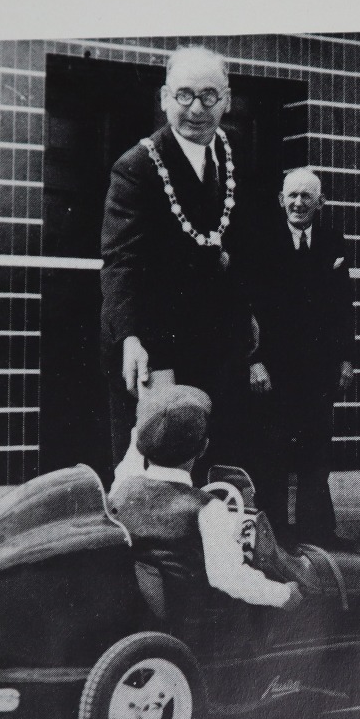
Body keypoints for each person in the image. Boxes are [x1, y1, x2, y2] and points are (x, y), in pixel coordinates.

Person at [100, 46, 254, 473]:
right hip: (155, 341)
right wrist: (129, 338)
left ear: (226, 99)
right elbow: (121, 261)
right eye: (184, 95)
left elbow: (247, 242)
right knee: (157, 471)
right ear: (165, 97)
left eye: (209, 96)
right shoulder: (136, 167)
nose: (196, 109)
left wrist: (248, 312)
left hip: (219, 340)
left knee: (217, 462)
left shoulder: (236, 149)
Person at [108, 385, 301, 608]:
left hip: (149, 615)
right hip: (199, 625)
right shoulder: (209, 509)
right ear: (203, 449)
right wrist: (284, 594)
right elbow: (229, 577)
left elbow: (132, 456)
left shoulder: (122, 487)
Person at [248, 168, 354, 545]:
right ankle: (274, 532)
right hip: (273, 369)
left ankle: (317, 532)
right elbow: (247, 306)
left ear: (319, 202)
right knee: (273, 451)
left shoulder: (331, 241)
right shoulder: (262, 241)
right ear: (281, 199)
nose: (298, 203)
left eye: (306, 196)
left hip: (319, 369)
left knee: (316, 451)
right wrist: (254, 359)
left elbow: (343, 305)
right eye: (292, 195)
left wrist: (345, 358)